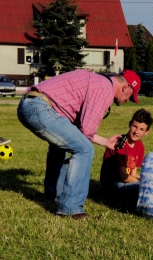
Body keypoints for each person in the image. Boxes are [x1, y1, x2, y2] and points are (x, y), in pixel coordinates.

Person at [17, 69, 141, 219]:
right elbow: (87, 130)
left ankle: (52, 197)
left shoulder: (98, 81)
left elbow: (82, 131)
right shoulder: (104, 88)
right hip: (39, 108)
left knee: (59, 147)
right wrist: (101, 141)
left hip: (31, 104)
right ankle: (71, 208)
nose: (128, 100)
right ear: (125, 87)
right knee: (85, 149)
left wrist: (106, 142)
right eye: (130, 96)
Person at [100, 108, 153, 204]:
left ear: (147, 132)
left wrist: (148, 180)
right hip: (113, 185)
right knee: (146, 189)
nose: (136, 131)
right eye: (134, 126)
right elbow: (122, 176)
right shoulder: (120, 143)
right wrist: (144, 183)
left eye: (141, 129)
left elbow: (132, 173)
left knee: (150, 186)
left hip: (125, 182)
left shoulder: (140, 146)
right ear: (130, 124)